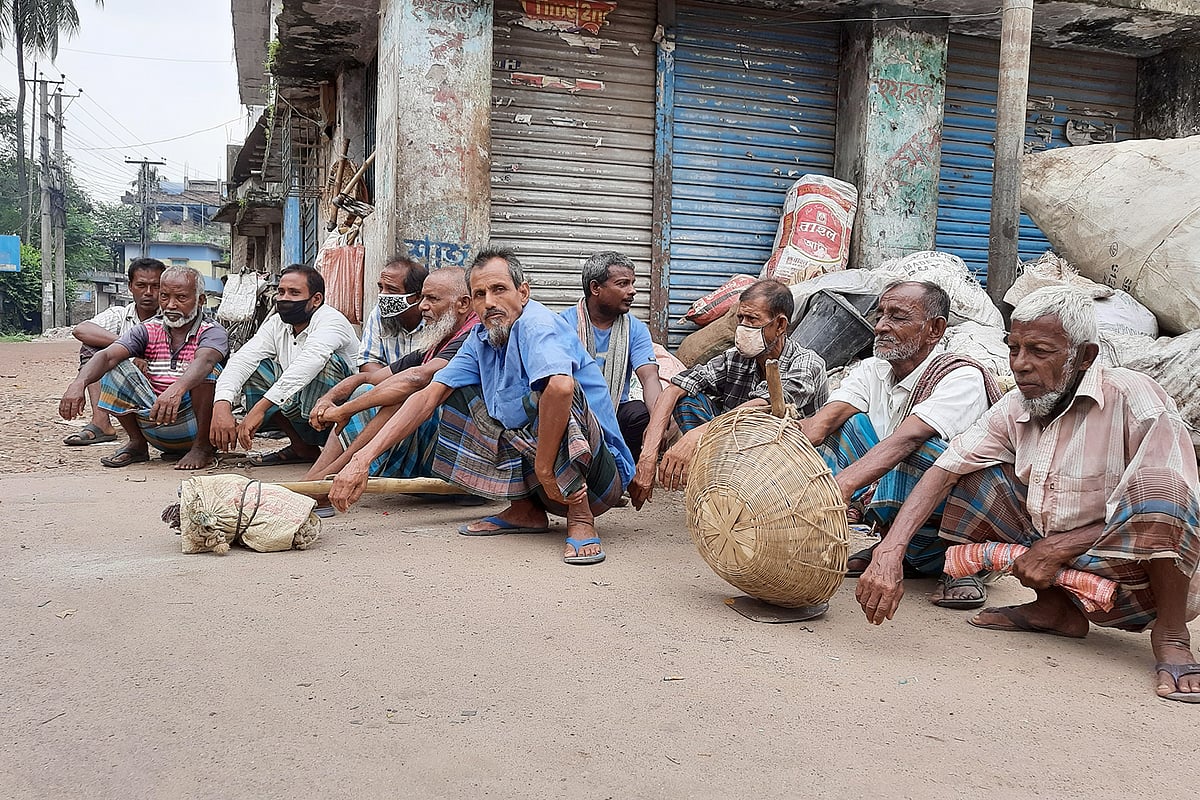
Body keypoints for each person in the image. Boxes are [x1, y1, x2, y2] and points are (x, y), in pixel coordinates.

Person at [856, 286, 1200, 703]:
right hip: (1052, 564)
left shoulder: (1133, 397)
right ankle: (1055, 609)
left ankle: (1172, 635)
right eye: (1014, 348)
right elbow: (944, 471)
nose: (1021, 364)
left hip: (1138, 576)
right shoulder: (1016, 405)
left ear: (1084, 357)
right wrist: (889, 552)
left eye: (1039, 351)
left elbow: (1177, 506)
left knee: (1163, 488)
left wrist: (1059, 547)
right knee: (972, 477)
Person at [327, 248, 633, 566]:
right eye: (479, 294)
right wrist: (362, 460)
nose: (489, 302)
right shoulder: (480, 339)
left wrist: (544, 471)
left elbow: (560, 388)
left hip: (596, 481)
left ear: (523, 292)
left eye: (499, 289)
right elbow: (427, 396)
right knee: (456, 393)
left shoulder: (536, 324)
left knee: (553, 389)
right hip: (545, 485)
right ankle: (525, 510)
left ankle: (580, 519)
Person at [799, 281, 1000, 609]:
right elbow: (822, 425)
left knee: (920, 450)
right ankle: (894, 547)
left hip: (955, 523)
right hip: (907, 519)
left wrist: (841, 486)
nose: (880, 326)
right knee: (848, 427)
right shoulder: (872, 369)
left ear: (935, 329)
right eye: (880, 315)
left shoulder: (962, 377)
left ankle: (961, 565)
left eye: (897, 317)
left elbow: (908, 439)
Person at [629, 278, 828, 508]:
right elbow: (674, 389)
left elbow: (762, 407)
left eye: (752, 319)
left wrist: (695, 437)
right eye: (740, 318)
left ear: (780, 325)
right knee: (688, 399)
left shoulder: (806, 363)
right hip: (740, 454)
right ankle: (717, 489)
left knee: (750, 422)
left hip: (788, 464)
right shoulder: (735, 357)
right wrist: (648, 456)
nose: (743, 326)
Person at [301, 266, 479, 488]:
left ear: (463, 304)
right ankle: (317, 479)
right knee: (370, 391)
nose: (423, 306)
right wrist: (327, 399)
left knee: (397, 397)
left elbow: (418, 378)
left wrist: (345, 410)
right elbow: (368, 377)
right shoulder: (439, 340)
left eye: (432, 299)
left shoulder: (472, 336)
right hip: (438, 444)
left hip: (465, 456)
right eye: (423, 298)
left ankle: (325, 480)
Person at [58, 266, 226, 470]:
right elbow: (107, 356)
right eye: (164, 296)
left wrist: (176, 389)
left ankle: (202, 448)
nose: (171, 305)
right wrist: (78, 384)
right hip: (154, 420)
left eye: (181, 297)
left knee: (209, 371)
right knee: (114, 365)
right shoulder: (148, 328)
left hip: (194, 425)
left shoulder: (212, 331)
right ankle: (137, 443)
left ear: (200, 300)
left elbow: (206, 360)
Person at [211, 263, 360, 465]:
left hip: (342, 409)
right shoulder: (277, 324)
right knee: (256, 368)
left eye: (294, 293)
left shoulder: (331, 320)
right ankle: (301, 447)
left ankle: (337, 453)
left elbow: (311, 361)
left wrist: (260, 408)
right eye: (281, 292)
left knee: (325, 365)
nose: (284, 298)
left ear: (316, 299)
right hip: (300, 406)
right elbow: (243, 359)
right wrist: (222, 404)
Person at [560, 250, 660, 461]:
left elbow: (650, 378)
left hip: (615, 409)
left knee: (640, 414)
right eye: (623, 284)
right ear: (595, 288)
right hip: (575, 411)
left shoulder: (635, 329)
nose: (632, 291)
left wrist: (658, 425)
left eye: (632, 283)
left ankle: (629, 471)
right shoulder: (564, 325)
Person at [64, 257, 166, 446]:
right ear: (130, 287)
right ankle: (100, 422)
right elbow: (81, 330)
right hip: (131, 387)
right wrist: (131, 348)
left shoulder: (172, 318)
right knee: (94, 348)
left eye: (156, 286)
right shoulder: (121, 314)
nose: (148, 292)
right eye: (141, 285)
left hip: (164, 392)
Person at [359, 256, 428, 372]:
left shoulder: (435, 321)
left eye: (392, 289)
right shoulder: (379, 312)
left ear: (417, 297)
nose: (383, 295)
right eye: (381, 288)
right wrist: (395, 381)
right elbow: (368, 361)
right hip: (386, 381)